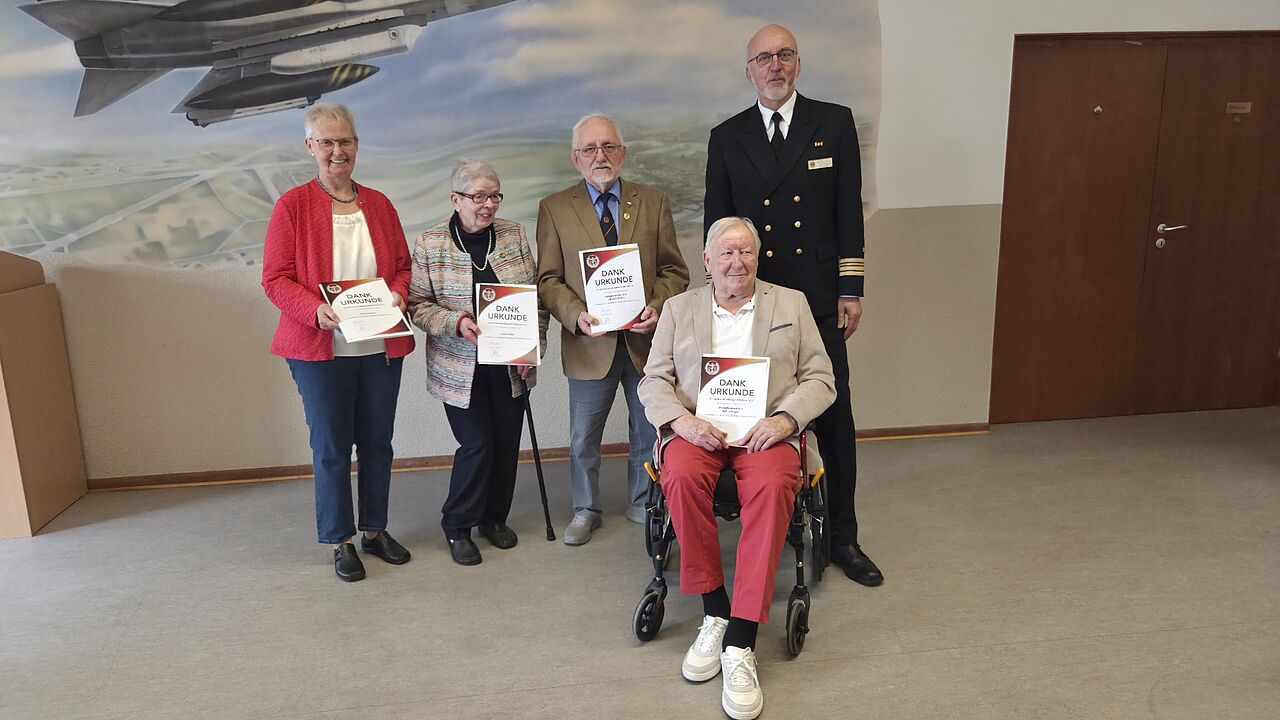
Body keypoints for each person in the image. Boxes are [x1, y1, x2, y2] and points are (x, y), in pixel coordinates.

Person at [703, 23, 883, 586]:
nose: (774, 65)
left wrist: (849, 289)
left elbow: (848, 213)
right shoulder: (726, 136)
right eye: (763, 58)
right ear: (749, 71)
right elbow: (717, 227)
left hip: (819, 299)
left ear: (798, 64)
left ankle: (844, 537)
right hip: (756, 303)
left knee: (831, 414)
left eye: (784, 55)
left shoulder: (833, 122)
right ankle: (777, 519)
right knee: (760, 414)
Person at [639, 217, 835, 720]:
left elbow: (820, 377)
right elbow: (653, 381)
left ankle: (741, 639)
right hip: (699, 431)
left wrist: (785, 419)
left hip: (763, 432)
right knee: (679, 477)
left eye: (746, 252)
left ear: (757, 257)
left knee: (773, 486)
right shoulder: (680, 309)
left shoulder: (790, 303)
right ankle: (714, 609)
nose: (736, 262)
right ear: (706, 261)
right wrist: (682, 422)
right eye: (725, 253)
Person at [262, 104, 414, 582]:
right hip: (319, 347)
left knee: (377, 444)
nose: (336, 151)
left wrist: (398, 293)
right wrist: (314, 309)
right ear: (310, 147)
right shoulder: (292, 206)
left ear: (356, 144)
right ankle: (340, 539)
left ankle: (374, 529)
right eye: (325, 142)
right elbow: (275, 279)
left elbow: (404, 266)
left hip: (378, 346)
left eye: (344, 141)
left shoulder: (380, 204)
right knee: (331, 446)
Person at [536, 113, 690, 545]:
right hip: (589, 343)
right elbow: (547, 280)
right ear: (575, 158)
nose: (599, 156)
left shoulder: (653, 201)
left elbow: (674, 270)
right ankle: (585, 508)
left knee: (647, 428)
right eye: (589, 149)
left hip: (646, 341)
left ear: (622, 153)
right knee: (584, 436)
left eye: (608, 147)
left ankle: (643, 501)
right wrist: (575, 315)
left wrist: (658, 305)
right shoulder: (554, 208)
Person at [407, 160, 548, 566]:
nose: (488, 205)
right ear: (456, 199)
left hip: (509, 365)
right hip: (459, 367)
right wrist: (457, 322)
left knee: (506, 444)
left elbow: (534, 300)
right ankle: (457, 525)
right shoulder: (431, 243)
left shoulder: (514, 235)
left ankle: (493, 519)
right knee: (477, 443)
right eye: (478, 196)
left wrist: (531, 349)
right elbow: (418, 307)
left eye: (494, 195)